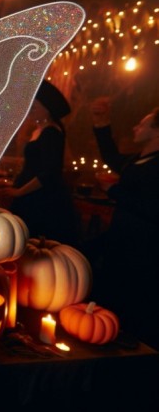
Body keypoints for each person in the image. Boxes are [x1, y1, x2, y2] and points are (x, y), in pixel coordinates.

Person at [88, 99, 159, 347]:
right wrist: (101, 123)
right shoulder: (137, 159)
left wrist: (114, 191)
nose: (135, 128)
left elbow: (152, 207)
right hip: (122, 237)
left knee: (133, 301)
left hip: (143, 245)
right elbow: (111, 156)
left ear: (156, 130)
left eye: (142, 124)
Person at [0, 81, 80, 245]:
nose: (30, 112)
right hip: (30, 196)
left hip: (42, 200)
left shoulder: (51, 132)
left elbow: (49, 173)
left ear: (47, 109)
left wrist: (20, 192)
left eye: (34, 107)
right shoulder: (39, 131)